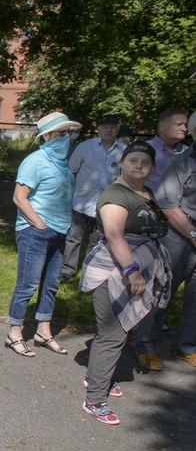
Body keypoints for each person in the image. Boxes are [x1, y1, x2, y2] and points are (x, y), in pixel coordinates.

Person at [79, 142, 170, 424]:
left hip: (136, 270)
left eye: (145, 162)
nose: (139, 165)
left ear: (153, 167)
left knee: (121, 330)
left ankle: (99, 377)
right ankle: (94, 400)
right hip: (115, 272)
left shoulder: (144, 193)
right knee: (113, 333)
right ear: (122, 162)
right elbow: (115, 234)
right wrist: (132, 271)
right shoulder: (116, 194)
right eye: (133, 160)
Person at [5, 112, 81, 358]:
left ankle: (43, 331)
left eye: (67, 133)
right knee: (27, 284)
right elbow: (19, 197)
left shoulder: (63, 163)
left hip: (59, 231)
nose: (65, 137)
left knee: (51, 284)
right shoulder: (35, 161)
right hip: (35, 232)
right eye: (60, 133)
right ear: (46, 136)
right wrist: (38, 224)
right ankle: (14, 332)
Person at [135, 111, 196, 371]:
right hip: (178, 234)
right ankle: (147, 347)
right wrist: (193, 235)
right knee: (162, 292)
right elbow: (169, 204)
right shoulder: (182, 162)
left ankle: (187, 348)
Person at [60, 114, 126, 280]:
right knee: (73, 238)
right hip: (81, 202)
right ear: (98, 129)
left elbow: (124, 178)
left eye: (112, 127)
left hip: (106, 206)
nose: (109, 130)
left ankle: (89, 271)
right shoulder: (85, 147)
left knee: (96, 240)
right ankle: (67, 271)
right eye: (105, 127)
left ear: (117, 129)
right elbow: (71, 171)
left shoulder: (124, 151)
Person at [145, 108, 189, 191]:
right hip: (149, 202)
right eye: (179, 124)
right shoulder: (144, 149)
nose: (184, 129)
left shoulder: (189, 152)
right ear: (162, 126)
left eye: (185, 125)